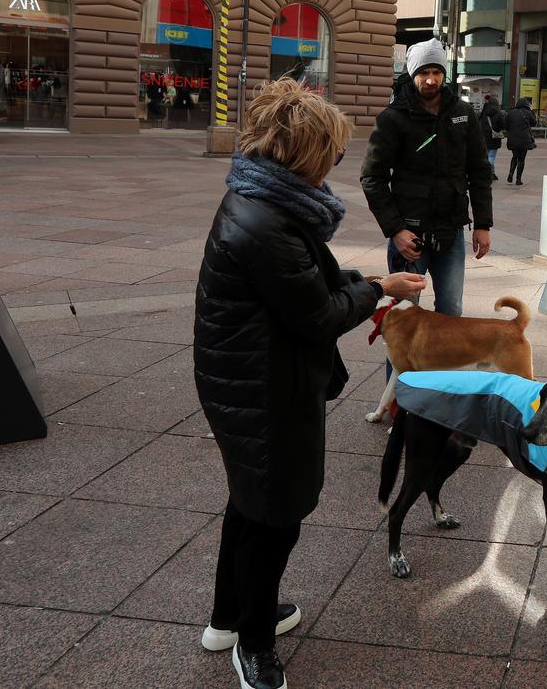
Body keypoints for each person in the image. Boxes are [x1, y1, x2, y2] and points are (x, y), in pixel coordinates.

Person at [195, 79, 426, 689]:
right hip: (264, 390)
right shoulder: (265, 224)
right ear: (305, 152)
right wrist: (379, 289)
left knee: (251, 503)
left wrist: (366, 283)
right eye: (332, 151)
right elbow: (318, 314)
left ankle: (229, 616)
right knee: (275, 515)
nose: (334, 164)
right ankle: (253, 644)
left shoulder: (258, 200)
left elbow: (303, 284)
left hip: (248, 380)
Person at [360, 39, 492, 317]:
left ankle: (443, 351)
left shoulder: (463, 113)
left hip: (451, 231)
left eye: (437, 72)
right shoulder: (392, 118)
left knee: (451, 312)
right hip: (409, 235)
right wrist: (395, 230)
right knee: (403, 316)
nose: (431, 80)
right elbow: (373, 177)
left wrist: (483, 224)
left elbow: (480, 172)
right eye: (423, 72)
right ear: (412, 73)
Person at [504, 95, 537, 185]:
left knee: (515, 156)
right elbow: (534, 123)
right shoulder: (528, 113)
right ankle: (518, 179)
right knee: (521, 159)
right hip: (524, 139)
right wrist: (531, 112)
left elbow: (505, 125)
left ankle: (510, 173)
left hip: (513, 139)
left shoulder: (511, 113)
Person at [479, 93, 503, 167]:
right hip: (494, 137)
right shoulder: (499, 113)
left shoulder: (484, 112)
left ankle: (491, 172)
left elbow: (479, 123)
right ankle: (486, 170)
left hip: (484, 136)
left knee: (486, 156)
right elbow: (502, 125)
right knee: (491, 156)